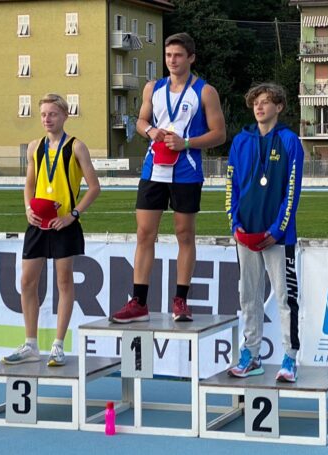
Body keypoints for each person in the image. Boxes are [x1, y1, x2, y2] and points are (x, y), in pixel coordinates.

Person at [111, 32, 225, 323]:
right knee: (144, 234)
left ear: (191, 58)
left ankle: (181, 301)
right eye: (168, 55)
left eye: (178, 55)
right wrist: (150, 131)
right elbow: (140, 120)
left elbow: (219, 134)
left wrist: (186, 143)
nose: (172, 61)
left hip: (186, 171)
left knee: (184, 235)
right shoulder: (154, 88)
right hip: (154, 169)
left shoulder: (205, 91)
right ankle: (138, 302)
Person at [2, 93, 101, 366]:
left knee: (64, 282)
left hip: (63, 224)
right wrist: (27, 209)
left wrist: (73, 215)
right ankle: (31, 344)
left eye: (53, 114)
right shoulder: (34, 147)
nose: (47, 119)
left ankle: (58, 345)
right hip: (37, 222)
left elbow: (95, 188)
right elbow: (29, 185)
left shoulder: (76, 147)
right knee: (27, 282)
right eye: (44, 114)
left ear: (65, 116)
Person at [225, 83, 304, 382]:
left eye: (267, 102)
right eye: (256, 102)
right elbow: (231, 185)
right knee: (249, 297)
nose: (260, 107)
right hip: (245, 234)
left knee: (285, 298)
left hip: (277, 237)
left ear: (279, 107)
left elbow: (292, 189)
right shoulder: (240, 142)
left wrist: (277, 229)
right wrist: (234, 223)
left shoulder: (289, 141)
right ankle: (251, 354)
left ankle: (290, 357)